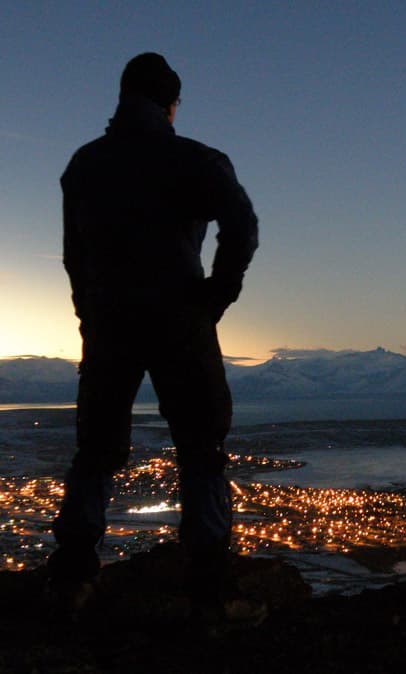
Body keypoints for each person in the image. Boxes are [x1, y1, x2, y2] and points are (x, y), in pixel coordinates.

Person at [49, 53, 260, 628]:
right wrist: (217, 294)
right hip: (179, 317)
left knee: (95, 447)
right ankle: (211, 590)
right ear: (171, 104)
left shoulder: (85, 165)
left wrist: (87, 311)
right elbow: (242, 224)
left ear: (121, 98)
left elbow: (74, 254)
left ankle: (73, 576)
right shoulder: (193, 160)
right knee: (201, 447)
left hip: (110, 319)